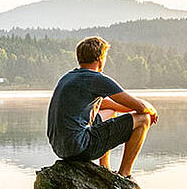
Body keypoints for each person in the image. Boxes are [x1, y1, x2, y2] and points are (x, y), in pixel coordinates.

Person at [46, 36, 159, 177]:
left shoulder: (68, 77)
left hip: (60, 148)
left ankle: (104, 167)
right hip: (80, 147)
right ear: (100, 58)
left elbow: (109, 105)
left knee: (110, 111)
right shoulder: (97, 79)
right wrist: (150, 108)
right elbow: (141, 108)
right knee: (144, 119)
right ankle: (125, 175)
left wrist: (130, 109)